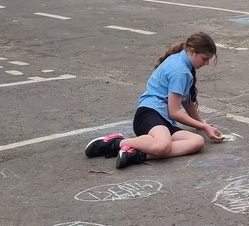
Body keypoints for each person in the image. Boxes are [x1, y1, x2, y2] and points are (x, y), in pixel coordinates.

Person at [84, 32, 224, 169]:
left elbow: (186, 102)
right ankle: (115, 144)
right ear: (192, 52)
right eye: (205, 58)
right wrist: (204, 127)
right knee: (162, 145)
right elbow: (174, 112)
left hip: (164, 120)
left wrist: (201, 124)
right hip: (149, 115)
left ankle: (137, 153)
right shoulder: (180, 71)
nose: (206, 63)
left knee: (197, 142)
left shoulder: (182, 63)